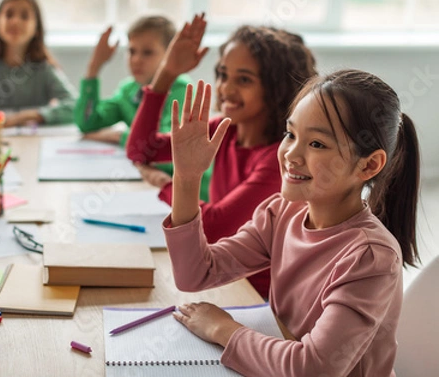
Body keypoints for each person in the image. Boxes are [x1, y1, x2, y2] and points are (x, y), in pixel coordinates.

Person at [165, 71, 420, 376]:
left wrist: (223, 329)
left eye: (316, 143)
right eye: (290, 134)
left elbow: (313, 369)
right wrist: (186, 179)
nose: (291, 154)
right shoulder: (282, 213)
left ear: (368, 165)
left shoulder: (370, 257)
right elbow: (195, 274)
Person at [126, 14, 317, 297]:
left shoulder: (281, 159)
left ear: (276, 89)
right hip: (228, 281)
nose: (226, 88)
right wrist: (166, 73)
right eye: (224, 75)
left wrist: (167, 184)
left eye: (244, 79)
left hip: (262, 300)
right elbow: (141, 149)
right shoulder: (226, 129)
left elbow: (214, 227)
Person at [73, 16, 192, 175]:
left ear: (170, 55)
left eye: (147, 53)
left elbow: (166, 151)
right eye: (131, 51)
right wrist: (94, 66)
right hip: (146, 179)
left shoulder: (181, 91)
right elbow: (87, 123)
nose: (136, 60)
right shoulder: (129, 90)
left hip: (180, 185)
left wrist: (119, 136)